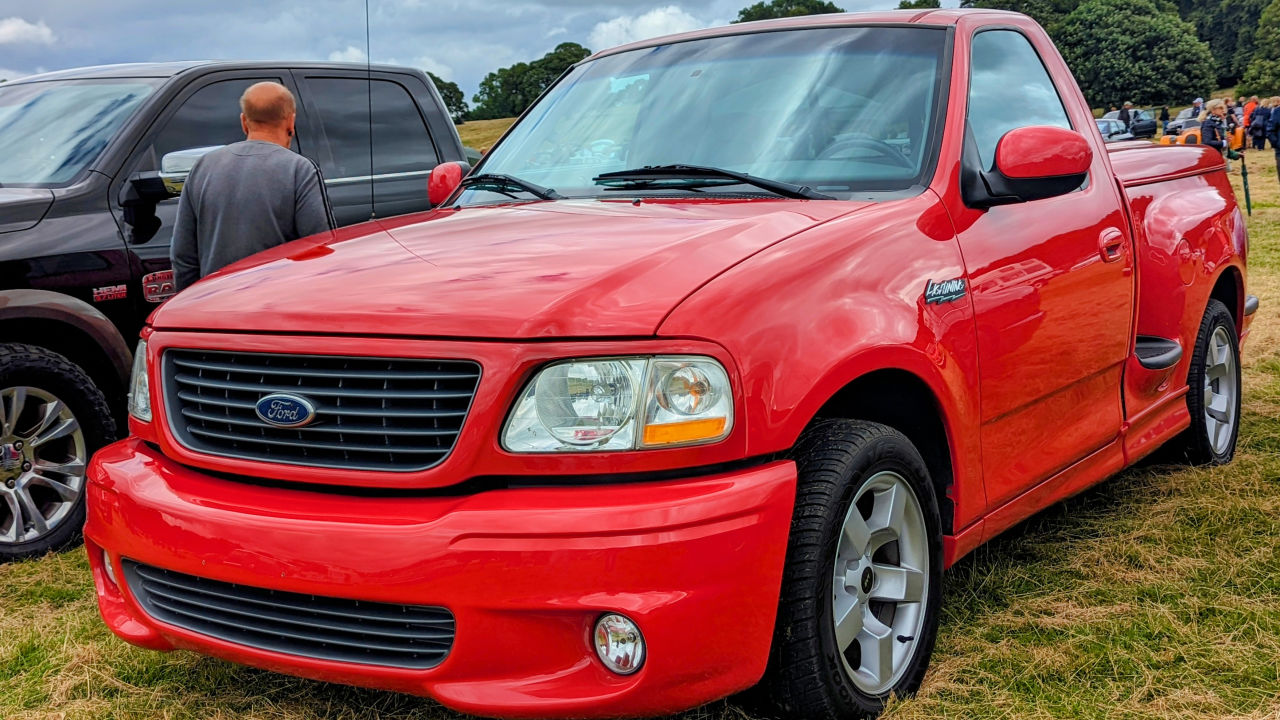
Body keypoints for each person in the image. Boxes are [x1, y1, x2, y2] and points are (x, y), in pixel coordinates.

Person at [171, 81, 334, 291]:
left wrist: (189, 303)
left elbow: (183, 256)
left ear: (244, 122)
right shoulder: (300, 170)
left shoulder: (203, 166)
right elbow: (319, 249)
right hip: (274, 307)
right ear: (291, 121)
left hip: (214, 306)